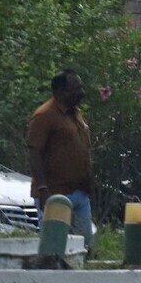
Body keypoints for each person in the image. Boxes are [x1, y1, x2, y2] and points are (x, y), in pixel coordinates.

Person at [25, 68, 95, 258]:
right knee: (54, 247)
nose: (81, 93)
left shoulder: (75, 113)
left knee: (84, 246)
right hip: (55, 193)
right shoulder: (44, 115)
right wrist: (42, 188)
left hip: (79, 192)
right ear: (61, 92)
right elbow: (34, 152)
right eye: (76, 89)